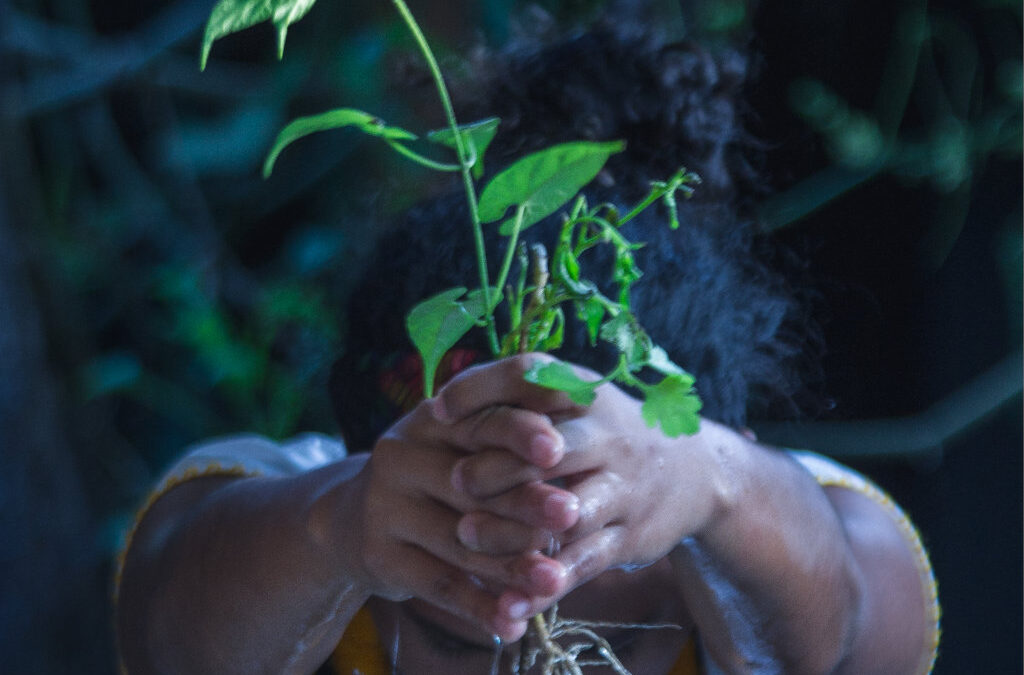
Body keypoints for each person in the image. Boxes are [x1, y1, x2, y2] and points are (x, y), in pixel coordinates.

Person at [114, 18, 940, 675]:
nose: (531, 656)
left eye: (605, 653)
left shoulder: (745, 534)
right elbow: (172, 630)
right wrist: (342, 526)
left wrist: (710, 482)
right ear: (357, 454)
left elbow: (850, 626)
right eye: (460, 647)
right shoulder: (310, 522)